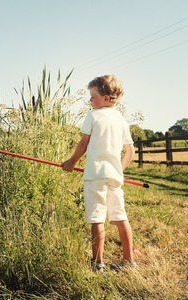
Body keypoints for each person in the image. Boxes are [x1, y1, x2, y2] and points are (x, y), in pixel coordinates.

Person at [61, 74, 136, 272]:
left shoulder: (93, 116)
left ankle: (98, 264)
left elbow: (83, 143)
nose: (90, 100)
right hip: (114, 177)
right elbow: (130, 151)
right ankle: (129, 261)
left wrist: (71, 162)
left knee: (96, 219)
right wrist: (119, 170)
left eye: (92, 96)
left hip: (95, 176)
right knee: (120, 217)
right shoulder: (121, 119)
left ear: (105, 97)